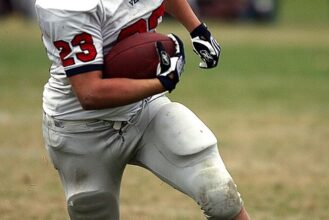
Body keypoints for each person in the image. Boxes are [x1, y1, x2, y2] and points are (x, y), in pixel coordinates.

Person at [35, 0, 251, 219]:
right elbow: (90, 93)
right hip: (81, 127)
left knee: (220, 194)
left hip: (144, 108)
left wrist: (197, 29)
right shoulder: (68, 4)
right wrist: (163, 82)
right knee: (94, 210)